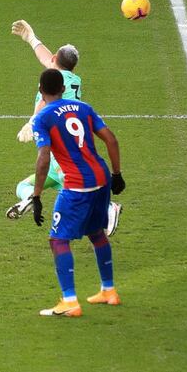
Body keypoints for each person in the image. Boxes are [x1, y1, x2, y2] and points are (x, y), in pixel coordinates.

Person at [5, 20, 122, 236]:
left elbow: (44, 101)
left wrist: (31, 122)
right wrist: (32, 39)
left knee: (77, 191)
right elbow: (46, 58)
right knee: (23, 186)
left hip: (61, 149)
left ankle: (108, 208)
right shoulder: (70, 77)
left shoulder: (55, 83)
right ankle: (30, 199)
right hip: (63, 148)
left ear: (56, 60)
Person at [27, 69, 126, 317]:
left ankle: (70, 301)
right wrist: (117, 174)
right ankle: (109, 291)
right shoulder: (83, 108)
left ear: (40, 90)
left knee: (58, 240)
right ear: (63, 88)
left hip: (77, 184)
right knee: (96, 232)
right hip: (101, 177)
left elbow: (43, 159)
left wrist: (37, 195)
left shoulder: (42, 118)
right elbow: (111, 140)